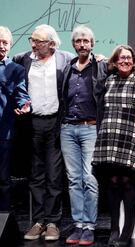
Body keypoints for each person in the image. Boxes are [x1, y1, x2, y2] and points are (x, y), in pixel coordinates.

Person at [13, 24, 74, 241]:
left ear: (50, 43)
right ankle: (38, 221)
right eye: (32, 39)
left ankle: (53, 223)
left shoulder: (65, 58)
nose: (33, 44)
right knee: (36, 175)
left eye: (38, 41)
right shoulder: (24, 59)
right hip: (33, 124)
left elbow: (93, 61)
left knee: (54, 175)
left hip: (56, 123)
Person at [92, 44, 135, 247]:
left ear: (133, 60)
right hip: (109, 136)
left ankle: (126, 232)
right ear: (115, 61)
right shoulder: (109, 80)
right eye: (121, 58)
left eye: (129, 57)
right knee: (113, 182)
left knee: (128, 182)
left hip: (130, 136)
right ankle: (114, 229)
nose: (125, 61)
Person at [59, 25, 108, 245]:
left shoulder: (101, 66)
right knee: (73, 180)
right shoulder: (68, 67)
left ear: (92, 44)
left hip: (90, 128)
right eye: (78, 41)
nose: (82, 44)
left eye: (86, 41)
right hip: (68, 128)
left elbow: (128, 66)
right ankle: (78, 225)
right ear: (73, 45)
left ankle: (90, 226)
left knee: (89, 178)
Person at [0, 26, 31, 212]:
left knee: (3, 179)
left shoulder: (16, 69)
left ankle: (1, 220)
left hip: (4, 132)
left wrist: (25, 105)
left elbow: (21, 93)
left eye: (5, 42)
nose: (2, 46)